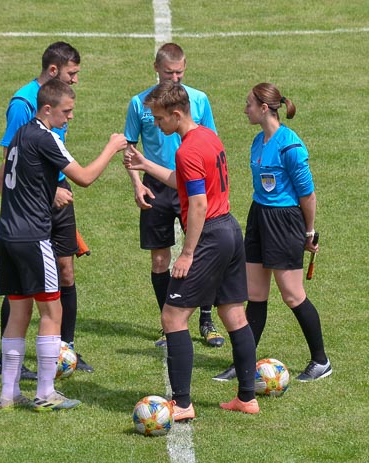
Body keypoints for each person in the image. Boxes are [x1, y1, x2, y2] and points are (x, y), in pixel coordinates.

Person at [124, 80, 259, 418]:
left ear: (176, 113)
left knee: (172, 316)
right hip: (229, 229)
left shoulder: (187, 150)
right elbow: (181, 180)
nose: (155, 124)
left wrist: (187, 253)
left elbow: (197, 204)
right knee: (234, 314)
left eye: (158, 118)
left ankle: (182, 404)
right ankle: (246, 397)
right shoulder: (208, 137)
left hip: (210, 235)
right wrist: (144, 164)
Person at [0, 79, 127, 410]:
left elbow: (1, 180)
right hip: (34, 238)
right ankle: (45, 393)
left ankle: (8, 393)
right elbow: (83, 177)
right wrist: (111, 147)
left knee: (19, 312)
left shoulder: (20, 135)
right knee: (52, 311)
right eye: (66, 112)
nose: (70, 118)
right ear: (48, 109)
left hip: (6, 235)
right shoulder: (46, 137)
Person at [212, 83, 331, 383]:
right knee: (255, 295)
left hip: (285, 220)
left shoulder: (291, 146)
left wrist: (309, 232)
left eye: (249, 104)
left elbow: (308, 195)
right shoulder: (257, 141)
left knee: (292, 295)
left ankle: (321, 361)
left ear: (264, 108)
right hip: (259, 217)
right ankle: (244, 363)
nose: (245, 109)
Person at [0, 41, 94, 380]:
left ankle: (65, 350)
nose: (76, 80)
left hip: (56, 197)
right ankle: (16, 366)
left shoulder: (58, 101)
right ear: (53, 72)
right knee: (24, 287)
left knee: (66, 271)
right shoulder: (25, 105)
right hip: (34, 208)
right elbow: (8, 169)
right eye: (72, 73)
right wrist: (47, 191)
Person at [124, 43, 224, 348]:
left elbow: (210, 143)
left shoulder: (198, 99)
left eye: (180, 72)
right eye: (169, 72)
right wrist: (137, 184)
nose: (175, 78)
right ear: (156, 68)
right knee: (159, 259)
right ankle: (169, 323)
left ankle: (207, 320)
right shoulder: (139, 103)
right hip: (156, 187)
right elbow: (130, 148)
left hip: (192, 186)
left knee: (203, 253)